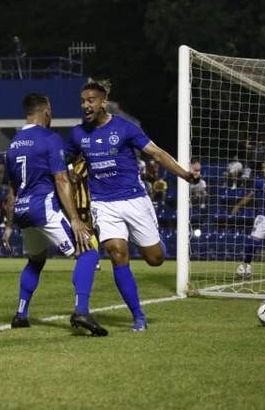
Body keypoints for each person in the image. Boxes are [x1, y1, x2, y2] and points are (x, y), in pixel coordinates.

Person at [65, 81, 197, 331]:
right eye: (83, 101)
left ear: (103, 101)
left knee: (155, 259)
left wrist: (184, 174)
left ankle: (154, 242)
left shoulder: (125, 128)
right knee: (117, 253)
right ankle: (138, 316)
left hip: (134, 200)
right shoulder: (77, 134)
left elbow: (156, 154)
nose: (85, 105)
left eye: (90, 100)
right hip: (103, 203)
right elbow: (63, 162)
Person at [2, 93, 107, 336]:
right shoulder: (50, 138)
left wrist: (8, 226)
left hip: (22, 212)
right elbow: (61, 179)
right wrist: (75, 219)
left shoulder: (13, 143)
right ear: (46, 112)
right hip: (44, 208)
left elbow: (12, 191)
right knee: (89, 251)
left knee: (36, 260)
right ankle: (82, 310)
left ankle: (21, 314)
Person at [68, 156, 102, 271]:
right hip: (75, 202)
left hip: (83, 203)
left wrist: (68, 166)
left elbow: (74, 178)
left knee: (87, 230)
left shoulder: (84, 164)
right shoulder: (76, 164)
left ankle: (94, 260)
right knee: (83, 231)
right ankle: (86, 257)